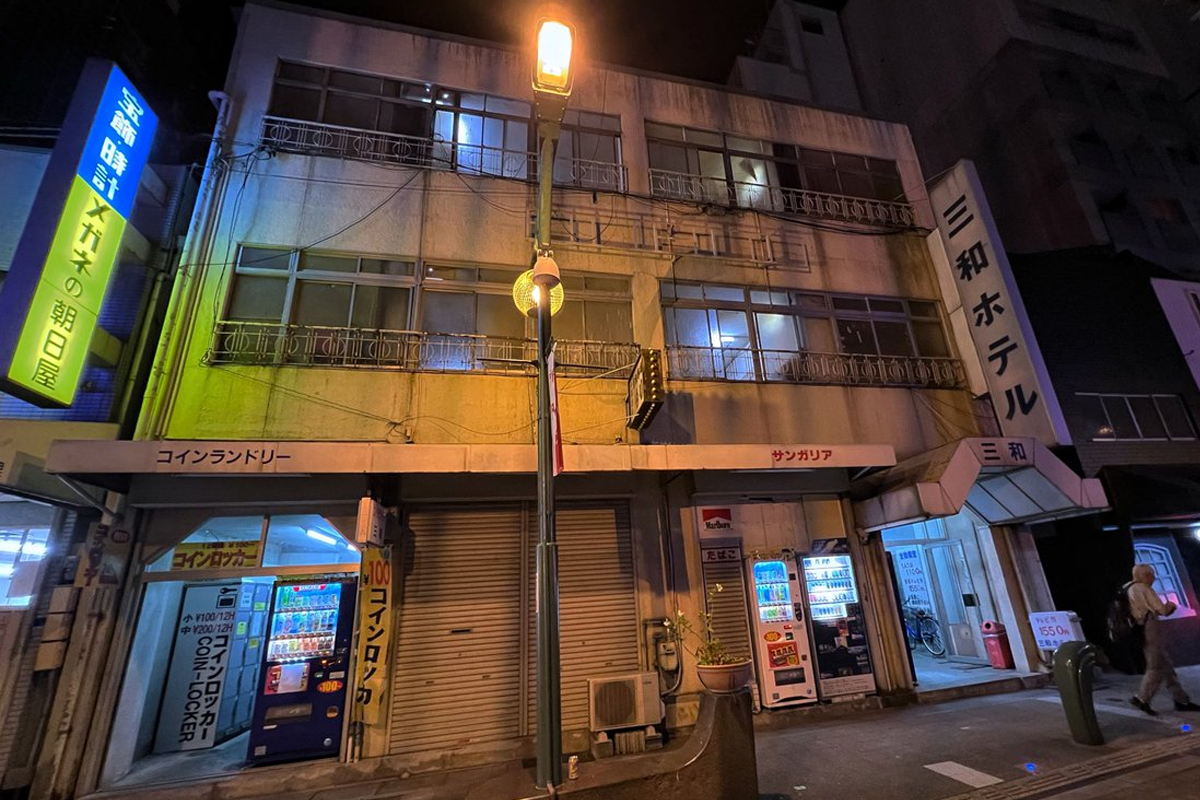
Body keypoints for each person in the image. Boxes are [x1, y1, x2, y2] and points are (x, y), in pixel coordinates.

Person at [1127, 563, 1200, 716]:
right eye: (1151, 575)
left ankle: (1181, 699)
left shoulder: (1128, 588)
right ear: (1145, 576)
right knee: (1156, 666)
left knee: (1166, 664)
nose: (1153, 578)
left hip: (1138, 629)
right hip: (1150, 627)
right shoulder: (1143, 588)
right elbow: (1162, 610)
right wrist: (1171, 605)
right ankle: (1141, 699)